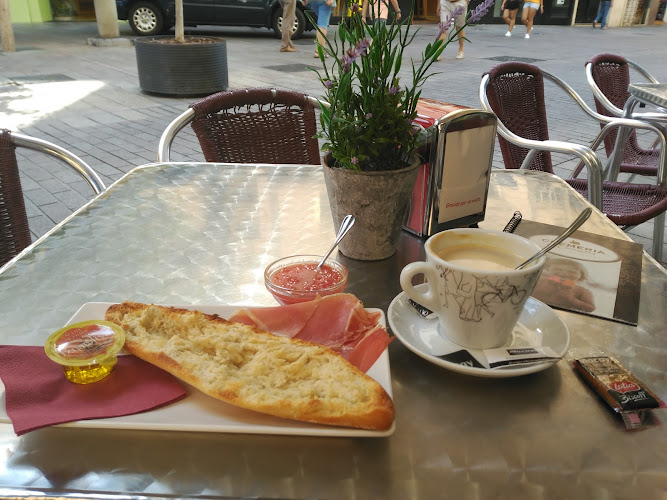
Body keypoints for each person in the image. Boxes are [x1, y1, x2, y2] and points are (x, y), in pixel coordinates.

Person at [532, 257, 596, 313]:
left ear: (581, 276)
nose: (563, 273)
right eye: (557, 269)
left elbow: (590, 308)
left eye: (572, 272)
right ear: (548, 270)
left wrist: (573, 300)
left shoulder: (582, 291)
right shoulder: (540, 281)